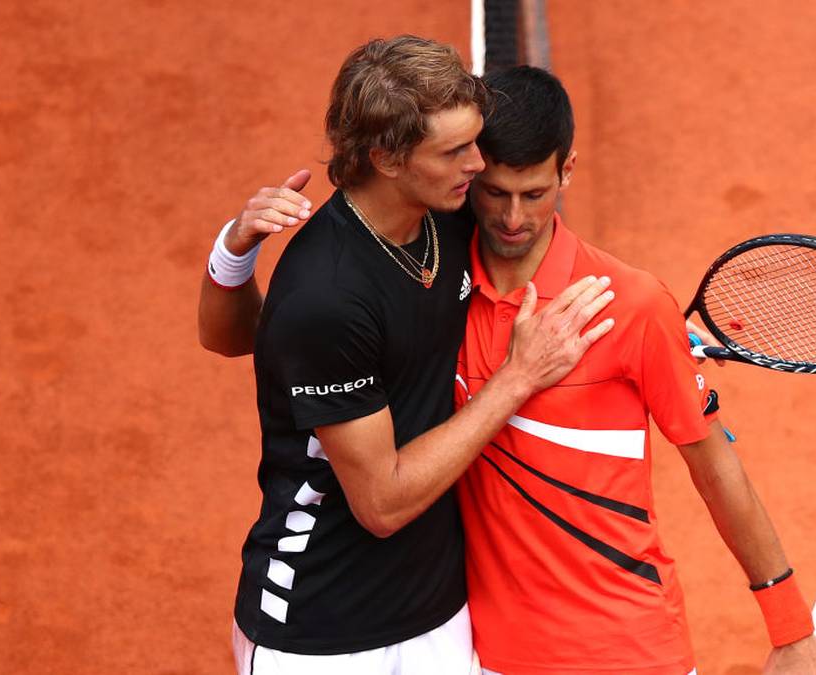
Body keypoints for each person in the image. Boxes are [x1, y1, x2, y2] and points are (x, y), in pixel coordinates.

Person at [199, 37, 615, 675]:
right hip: (320, 630)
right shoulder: (327, 293)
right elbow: (383, 503)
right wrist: (516, 380)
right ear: (386, 158)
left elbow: (538, 263)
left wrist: (647, 330)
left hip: (438, 613)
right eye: (454, 151)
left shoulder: (446, 214)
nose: (479, 164)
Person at [454, 66, 816, 675]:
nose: (514, 219)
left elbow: (714, 465)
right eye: (495, 193)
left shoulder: (631, 306)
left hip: (626, 649)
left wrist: (790, 628)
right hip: (489, 653)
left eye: (536, 193)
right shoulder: (434, 286)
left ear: (568, 171)